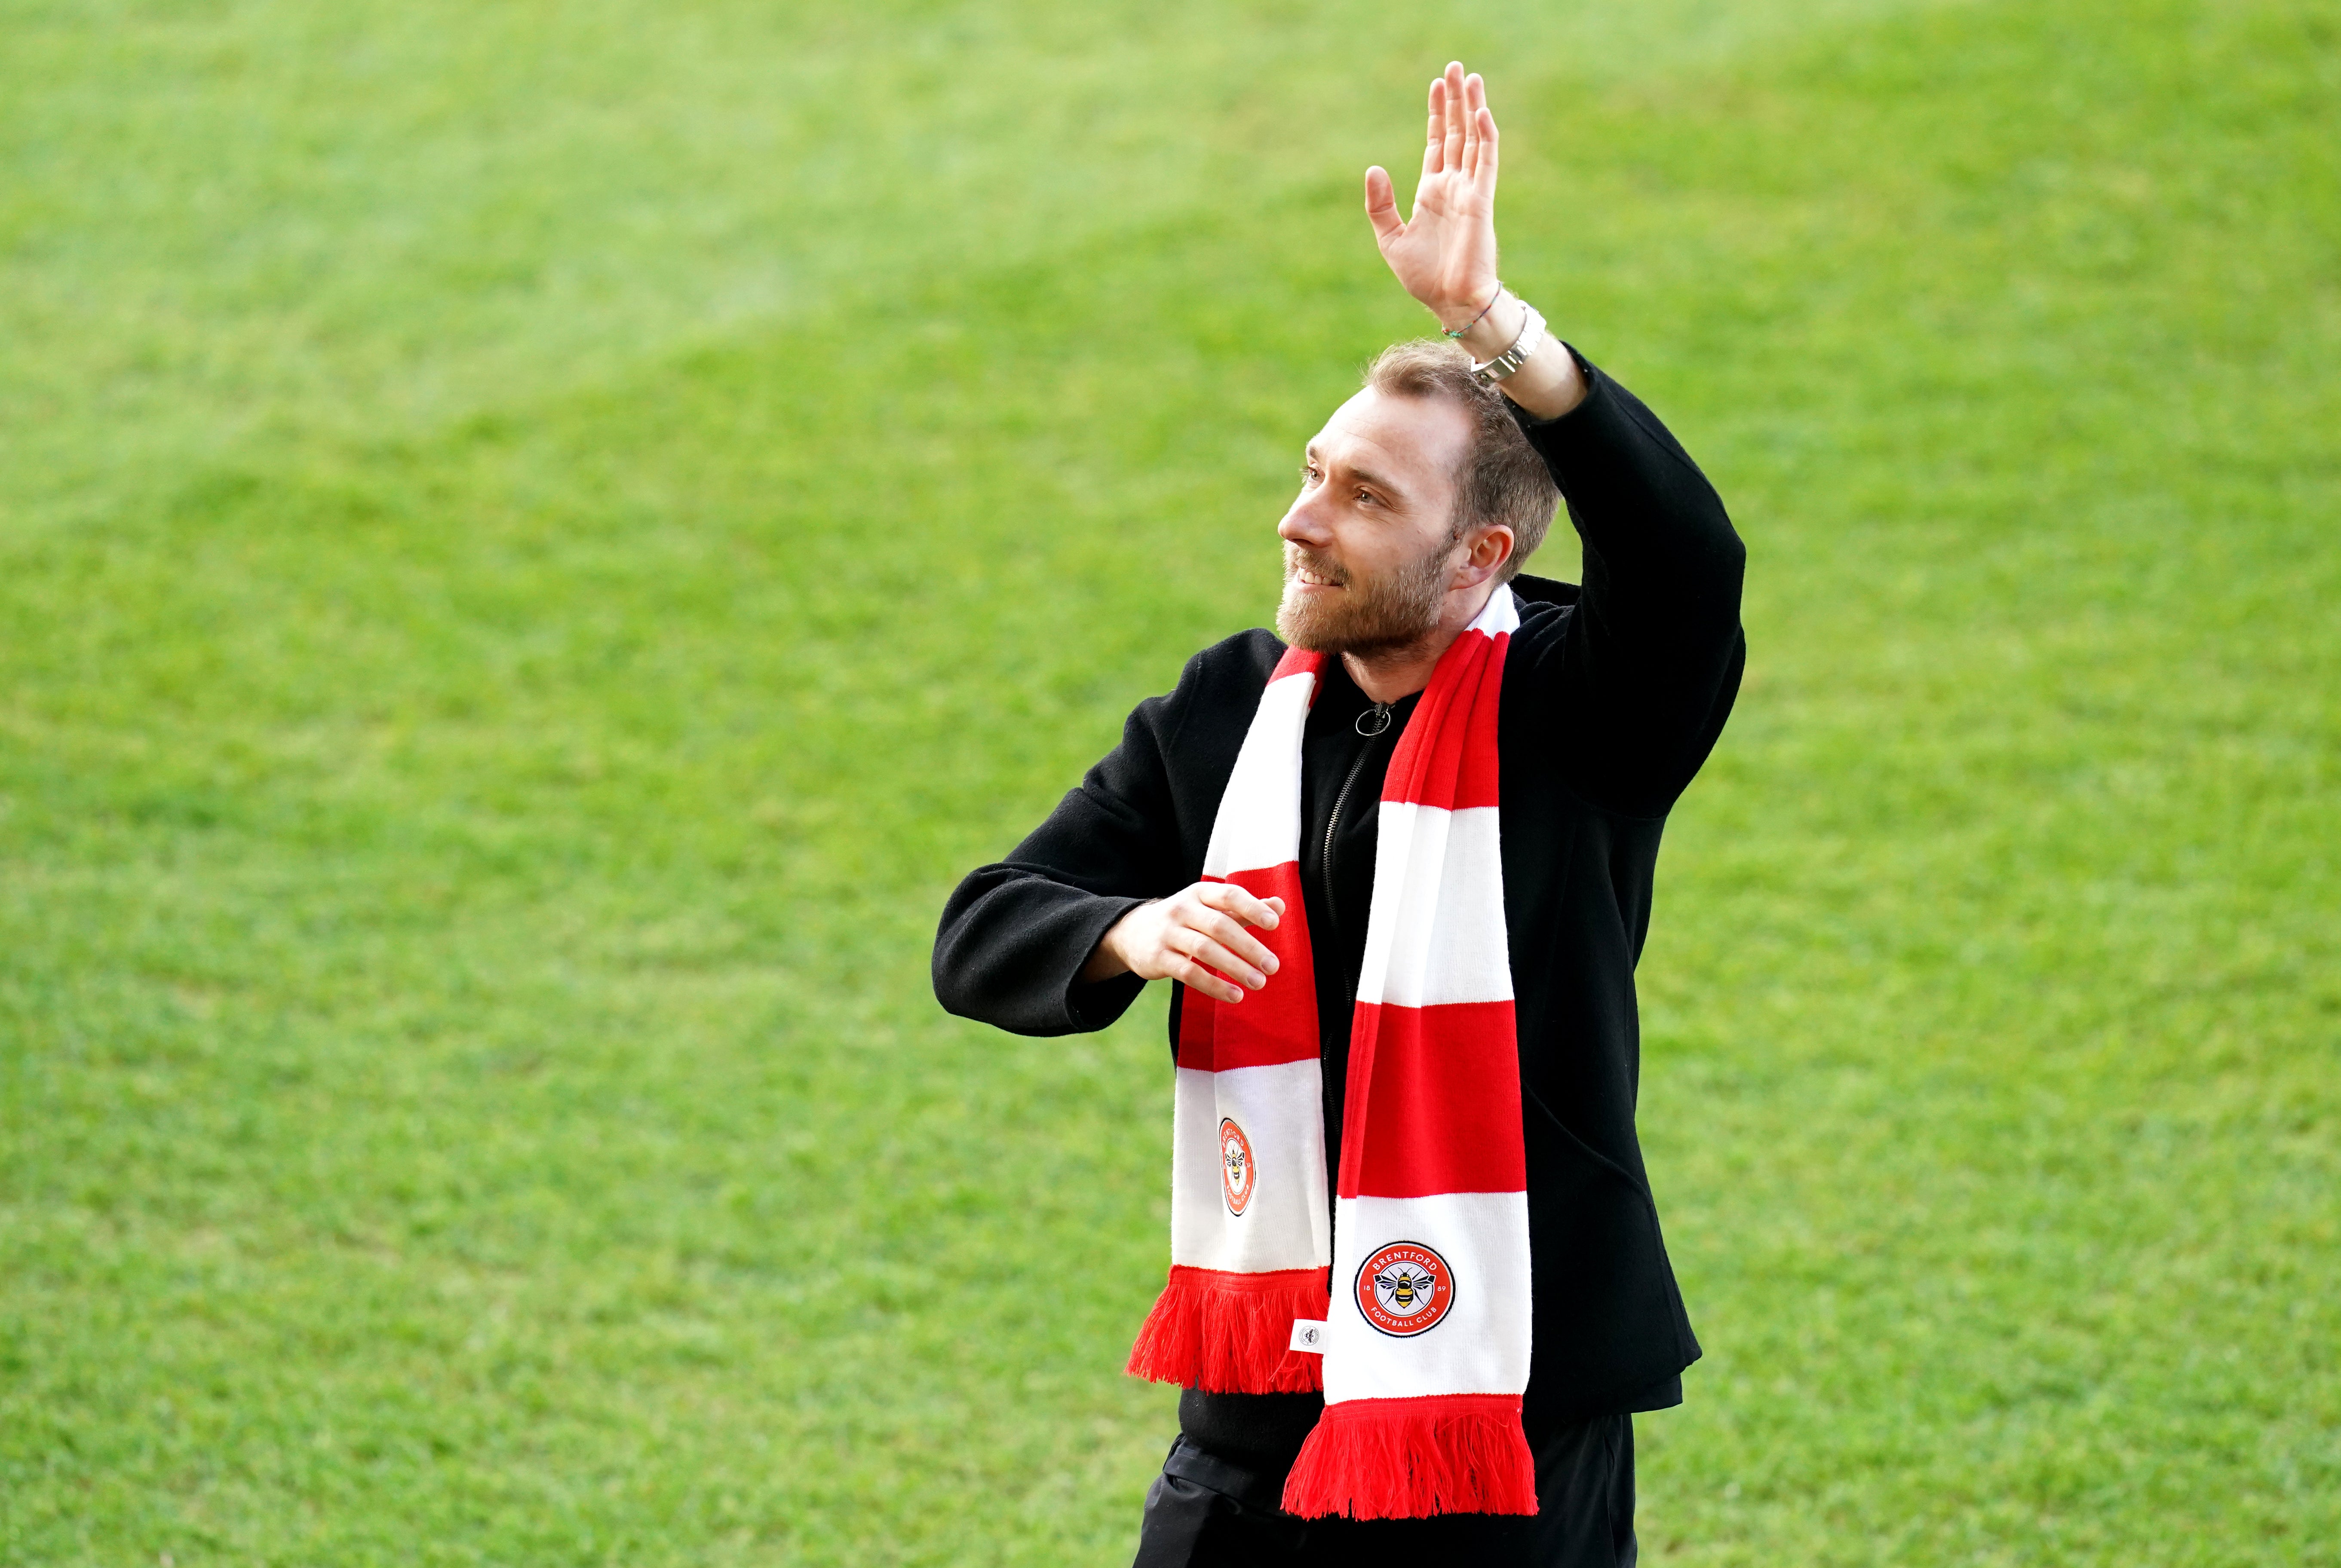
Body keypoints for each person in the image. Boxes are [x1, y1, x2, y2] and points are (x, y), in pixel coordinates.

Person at [933, 61, 1746, 1568]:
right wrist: (1130, 929)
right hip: (1258, 1412)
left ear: (1477, 554)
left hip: (1505, 1409)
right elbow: (980, 932)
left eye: (1366, 495)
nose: (1302, 518)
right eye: (1314, 473)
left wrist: (1502, 334)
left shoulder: (1586, 713)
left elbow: (1689, 561)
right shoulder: (1235, 706)